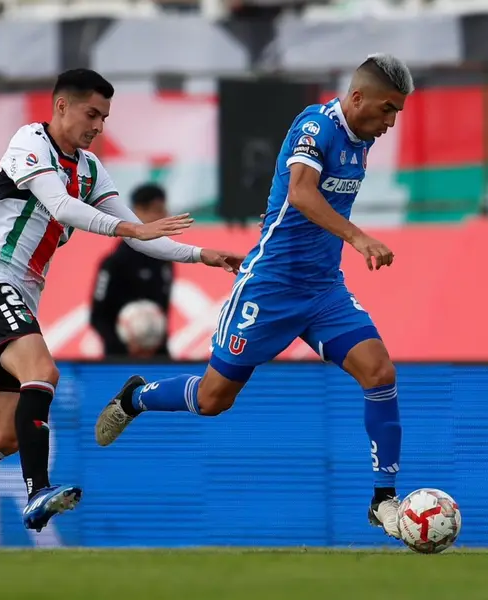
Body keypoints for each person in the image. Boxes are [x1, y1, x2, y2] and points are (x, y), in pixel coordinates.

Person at [0, 68, 244, 553]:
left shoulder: (89, 169)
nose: (99, 126)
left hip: (21, 295)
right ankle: (38, 491)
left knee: (2, 435)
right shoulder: (30, 142)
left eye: (104, 117)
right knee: (42, 370)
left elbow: (137, 232)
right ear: (61, 106)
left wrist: (202, 255)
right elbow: (63, 209)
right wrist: (132, 231)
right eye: (92, 113)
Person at [93, 54, 412, 537]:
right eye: (387, 109)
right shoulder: (315, 125)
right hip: (270, 288)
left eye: (398, 113)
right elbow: (302, 194)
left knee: (380, 371)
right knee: (214, 398)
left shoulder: (361, 142)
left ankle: (383, 499)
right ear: (358, 97)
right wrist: (358, 237)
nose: (391, 122)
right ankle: (137, 397)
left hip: (323, 290)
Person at [89, 183, 175, 358]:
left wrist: (155, 344)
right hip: (119, 356)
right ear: (137, 213)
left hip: (157, 354)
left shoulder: (165, 261)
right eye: (157, 211)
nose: (165, 217)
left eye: (164, 210)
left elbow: (163, 310)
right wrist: (123, 348)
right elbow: (97, 316)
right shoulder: (114, 263)